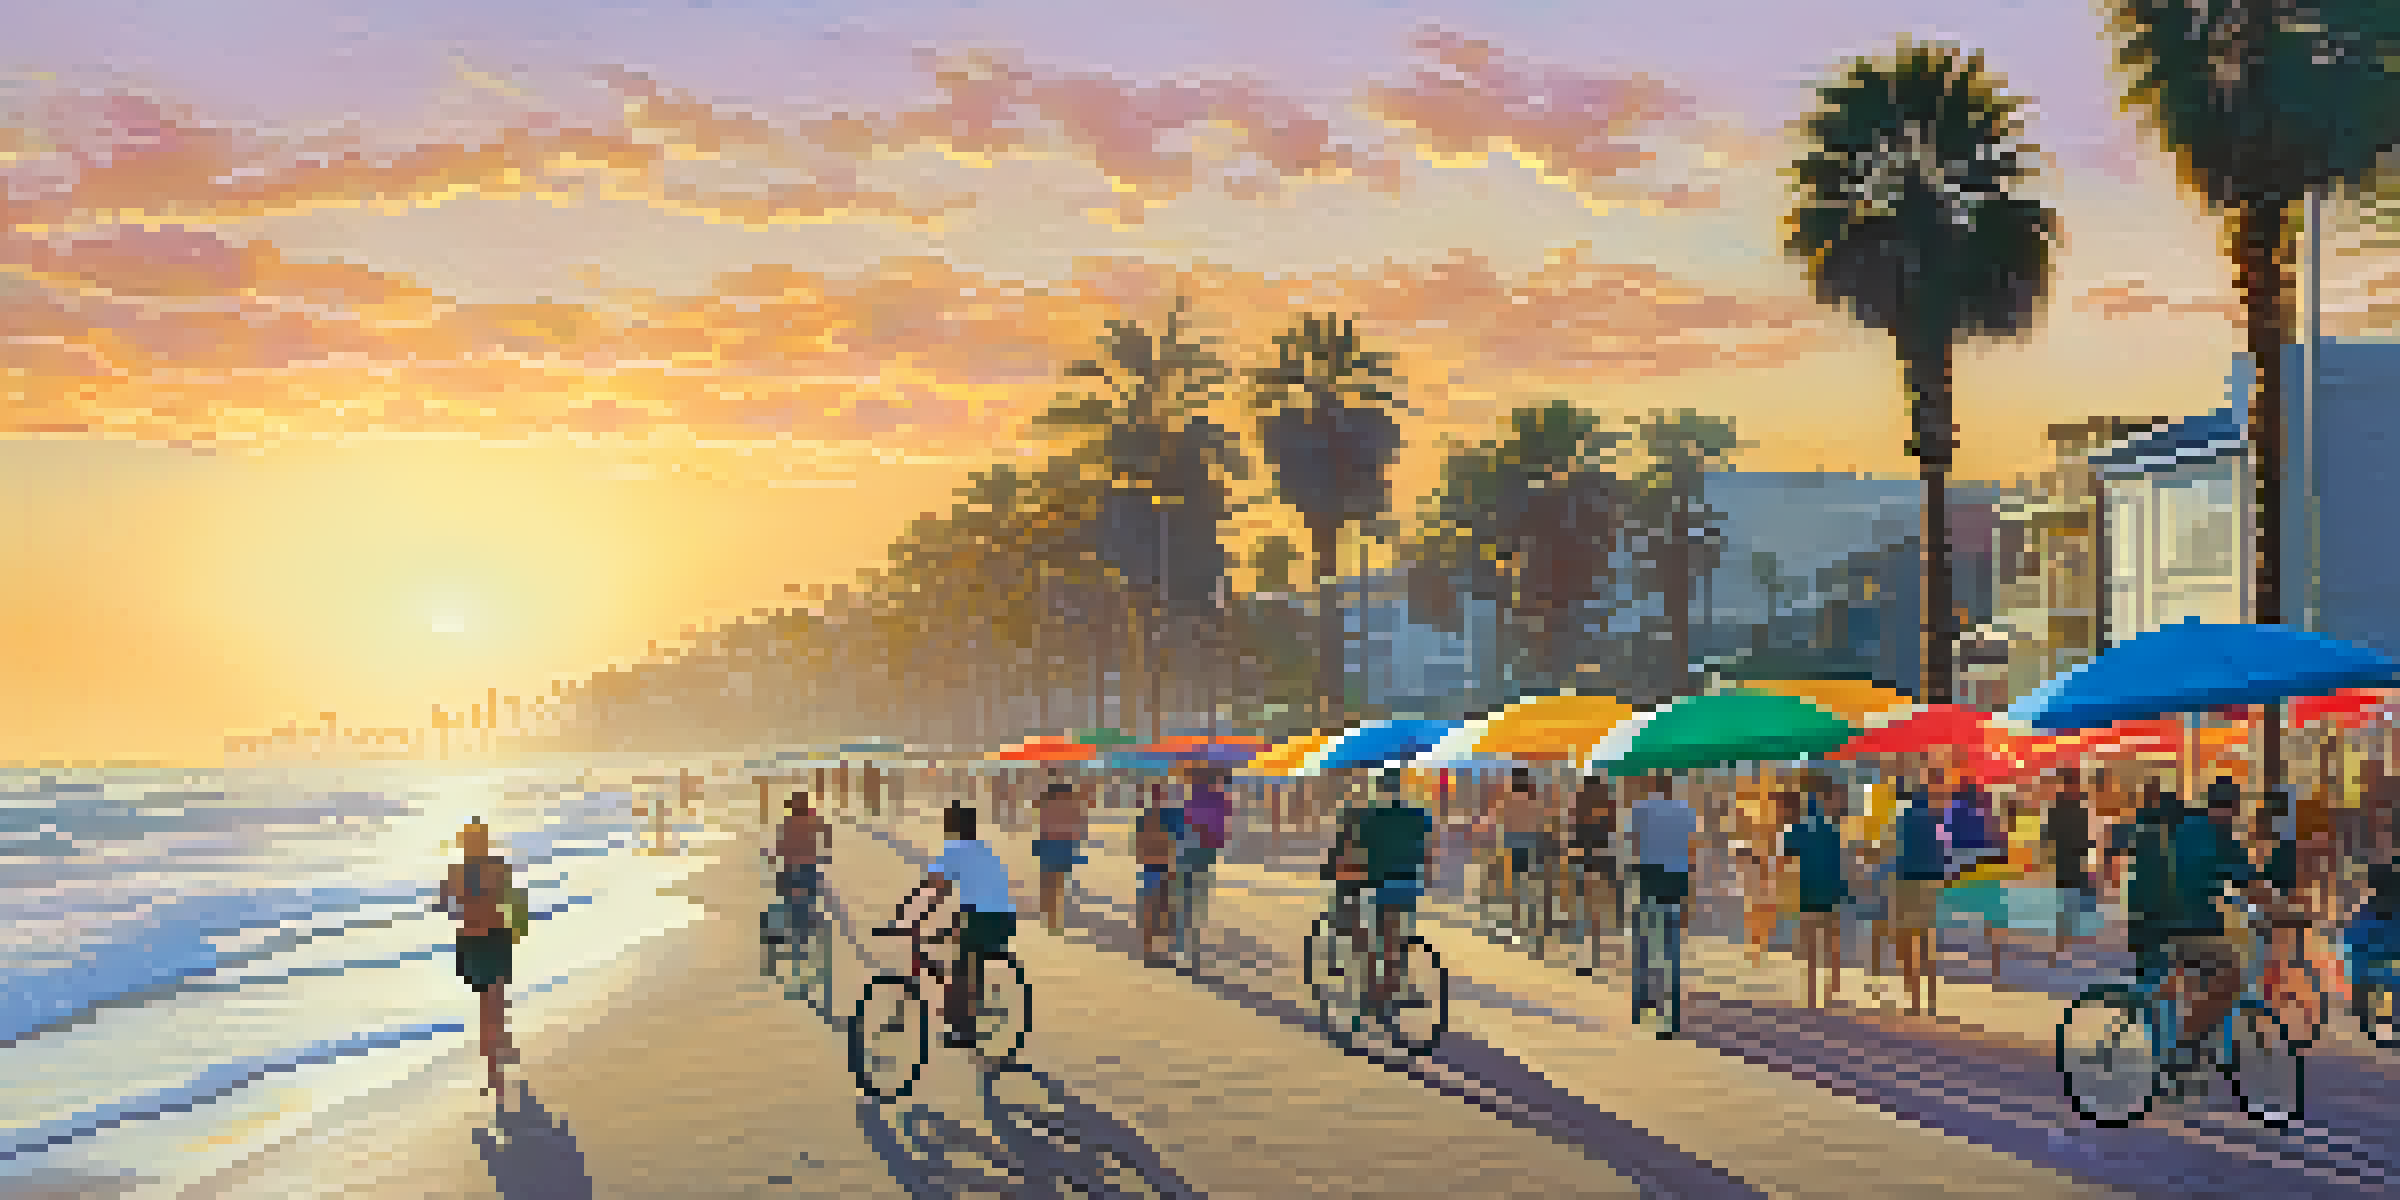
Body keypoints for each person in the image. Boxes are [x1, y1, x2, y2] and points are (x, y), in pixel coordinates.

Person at [885, 806, 1018, 1049]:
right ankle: (964, 1000)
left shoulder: (953, 851)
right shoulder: (984, 849)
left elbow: (935, 889)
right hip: (1005, 918)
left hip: (983, 918)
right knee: (957, 945)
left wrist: (910, 916)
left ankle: (963, 1029)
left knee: (962, 965)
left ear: (953, 828)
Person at [434, 818, 520, 1098]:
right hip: (488, 937)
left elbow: (442, 904)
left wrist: (461, 910)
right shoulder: (492, 866)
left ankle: (495, 1063)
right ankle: (497, 1056)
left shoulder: (461, 871)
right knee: (493, 998)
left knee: (490, 1000)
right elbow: (511, 899)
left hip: (479, 938)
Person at [1352, 769, 1434, 1013]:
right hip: (1408, 885)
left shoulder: (1370, 816)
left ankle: (1373, 990)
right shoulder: (1417, 815)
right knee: (1399, 938)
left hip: (1379, 885)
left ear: (1380, 787)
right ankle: (1394, 986)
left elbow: (1360, 851)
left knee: (1375, 938)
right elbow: (1428, 849)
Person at [1782, 780, 1851, 1009]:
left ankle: (1812, 993)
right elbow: (1840, 861)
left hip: (1808, 892)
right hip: (1832, 891)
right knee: (1832, 941)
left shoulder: (1799, 828)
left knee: (1811, 945)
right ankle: (1833, 987)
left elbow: (1787, 853)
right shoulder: (1832, 828)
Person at [1888, 781, 1949, 1017]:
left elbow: (1894, 853)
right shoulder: (1935, 822)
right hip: (1930, 885)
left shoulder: (1903, 820)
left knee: (1906, 940)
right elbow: (1943, 855)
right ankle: (1930, 997)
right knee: (1926, 940)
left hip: (1906, 883)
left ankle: (1913, 997)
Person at [2045, 769, 2095, 967]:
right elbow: (2054, 836)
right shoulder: (2071, 808)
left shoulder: (2063, 807)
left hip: (2070, 861)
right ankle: (2065, 945)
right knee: (2069, 903)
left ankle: (2066, 945)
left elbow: (2049, 836)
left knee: (2071, 903)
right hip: (2069, 861)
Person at [766, 789, 831, 937]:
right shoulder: (813, 822)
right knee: (806, 899)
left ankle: (795, 929)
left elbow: (780, 845)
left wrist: (775, 857)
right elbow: (826, 839)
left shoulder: (788, 822)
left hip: (791, 866)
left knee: (792, 899)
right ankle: (803, 930)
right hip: (807, 865)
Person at [1567, 774, 1621, 949]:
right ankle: (1599, 933)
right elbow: (1612, 829)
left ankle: (1586, 934)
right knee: (1603, 894)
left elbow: (1574, 831)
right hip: (1602, 853)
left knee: (1584, 896)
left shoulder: (1580, 806)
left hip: (1583, 853)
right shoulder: (1607, 806)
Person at [1499, 767, 1553, 940]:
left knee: (1518, 887)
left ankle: (1517, 925)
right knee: (1538, 885)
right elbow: (1544, 825)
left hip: (1517, 847)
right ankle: (1543, 924)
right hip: (1536, 844)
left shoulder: (1510, 801)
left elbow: (1507, 826)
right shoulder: (1535, 800)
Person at [1032, 777, 1089, 935]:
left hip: (1053, 845)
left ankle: (1051, 917)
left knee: (1051, 882)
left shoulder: (1048, 804)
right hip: (1058, 845)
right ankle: (1052, 918)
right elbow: (1076, 826)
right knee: (1055, 883)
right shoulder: (1067, 806)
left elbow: (1044, 825)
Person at [1134, 791, 1180, 964]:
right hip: (1154, 866)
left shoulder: (1159, 819)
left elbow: (1169, 844)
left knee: (1159, 905)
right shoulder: (1152, 819)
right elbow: (1143, 844)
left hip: (1158, 865)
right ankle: (1148, 946)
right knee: (1154, 904)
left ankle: (1152, 945)